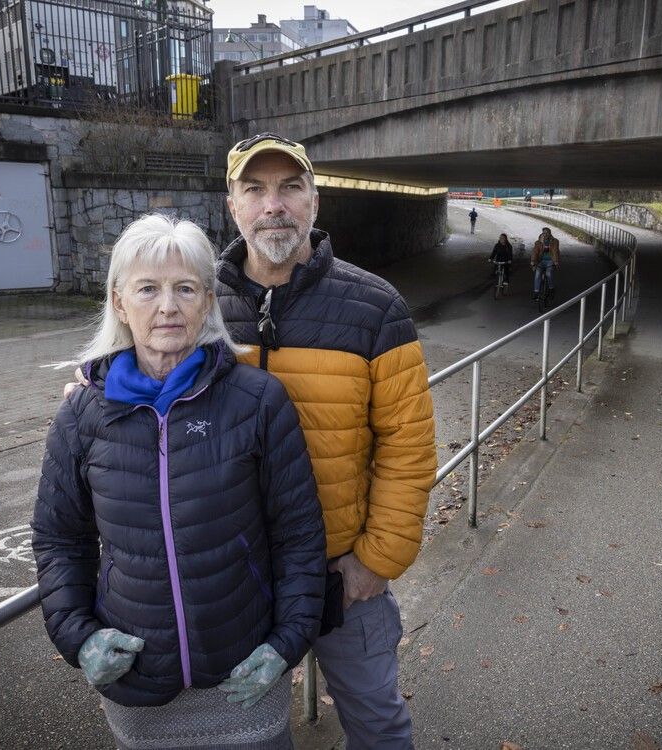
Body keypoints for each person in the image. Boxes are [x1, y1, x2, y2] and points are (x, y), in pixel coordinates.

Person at [67, 133, 437, 748]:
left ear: (315, 202)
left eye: (291, 188)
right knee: (250, 732)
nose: (274, 206)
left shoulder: (375, 308)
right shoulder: (197, 296)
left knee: (377, 723)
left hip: (340, 573)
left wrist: (375, 561)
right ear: (232, 206)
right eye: (255, 190)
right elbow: (136, 355)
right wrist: (92, 380)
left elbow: (410, 449)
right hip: (235, 582)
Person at [35, 213, 327, 750]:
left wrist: (287, 643)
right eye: (147, 289)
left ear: (209, 302)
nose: (167, 306)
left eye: (185, 288)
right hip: (138, 682)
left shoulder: (259, 401)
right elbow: (60, 539)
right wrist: (77, 638)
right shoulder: (82, 415)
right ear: (120, 303)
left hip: (245, 675)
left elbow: (299, 535)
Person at [531, 227, 561, 303]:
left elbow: (555, 252)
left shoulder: (555, 241)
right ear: (542, 233)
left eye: (547, 232)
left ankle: (551, 289)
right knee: (537, 273)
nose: (545, 234)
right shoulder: (538, 242)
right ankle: (536, 292)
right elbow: (535, 252)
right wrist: (533, 261)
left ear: (550, 233)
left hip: (550, 261)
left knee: (548, 273)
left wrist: (556, 261)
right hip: (541, 261)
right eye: (544, 232)